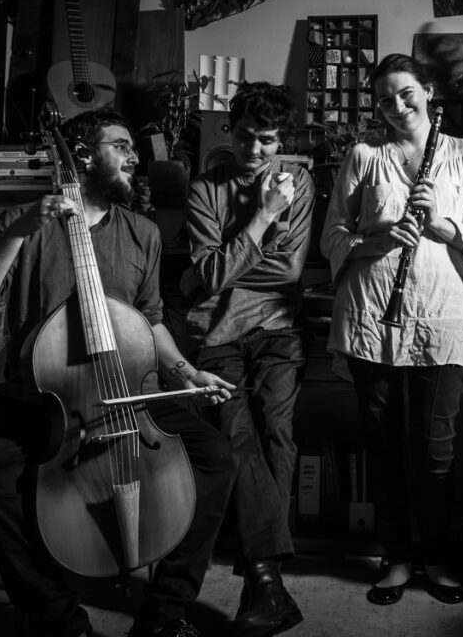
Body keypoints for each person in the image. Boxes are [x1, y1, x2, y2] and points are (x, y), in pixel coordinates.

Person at [0, 109, 237, 637]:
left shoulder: (143, 233)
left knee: (216, 458)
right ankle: (57, 618)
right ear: (82, 155)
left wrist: (185, 371)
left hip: (127, 392)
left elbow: (149, 321)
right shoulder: (24, 221)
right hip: (40, 395)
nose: (135, 158)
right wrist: (19, 231)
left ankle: (165, 613)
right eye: (121, 146)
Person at [320, 53, 463, 607]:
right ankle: (396, 557)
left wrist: (440, 223)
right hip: (372, 315)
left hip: (441, 318)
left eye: (406, 94)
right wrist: (376, 240)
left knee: (436, 450)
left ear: (428, 92)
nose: (396, 107)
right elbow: (333, 235)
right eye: (385, 100)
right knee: (384, 446)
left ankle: (436, 557)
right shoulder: (364, 155)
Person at [180, 82, 312, 637]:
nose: (255, 151)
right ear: (229, 131)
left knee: (277, 433)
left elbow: (289, 271)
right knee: (237, 436)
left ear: (282, 140)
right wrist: (263, 217)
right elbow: (209, 276)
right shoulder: (204, 188)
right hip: (216, 332)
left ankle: (263, 581)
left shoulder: (300, 181)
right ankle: (268, 585)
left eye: (268, 140)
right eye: (245, 137)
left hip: (278, 327)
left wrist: (218, 268)